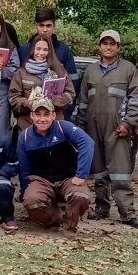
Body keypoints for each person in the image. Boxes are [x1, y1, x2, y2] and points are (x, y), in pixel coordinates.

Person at [73, 30, 138, 229]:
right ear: (99, 46)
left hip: (118, 128)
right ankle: (101, 207)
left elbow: (136, 100)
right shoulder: (91, 71)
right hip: (92, 128)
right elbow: (83, 101)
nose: (108, 47)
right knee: (99, 171)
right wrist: (80, 128)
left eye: (112, 44)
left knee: (120, 171)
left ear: (118, 47)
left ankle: (127, 212)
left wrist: (128, 123)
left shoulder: (129, 70)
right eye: (105, 43)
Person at [17, 94, 94, 232]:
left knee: (81, 196)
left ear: (53, 115)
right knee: (31, 200)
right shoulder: (25, 137)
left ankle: (70, 225)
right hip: (41, 180)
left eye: (46, 114)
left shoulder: (64, 127)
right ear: (31, 116)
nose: (42, 119)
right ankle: (56, 218)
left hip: (68, 178)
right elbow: (24, 168)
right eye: (38, 114)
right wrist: (24, 192)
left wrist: (81, 174)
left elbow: (87, 142)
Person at [9, 33, 76, 131]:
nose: (41, 53)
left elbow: (70, 96)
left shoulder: (59, 71)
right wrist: (29, 103)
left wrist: (50, 100)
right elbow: (13, 98)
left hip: (54, 128)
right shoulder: (21, 73)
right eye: (38, 49)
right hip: (28, 127)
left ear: (50, 51)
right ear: (32, 50)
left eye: (45, 50)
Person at [19, 8, 79, 110]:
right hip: (29, 112)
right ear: (36, 25)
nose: (45, 29)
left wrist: (66, 108)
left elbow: (73, 82)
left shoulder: (63, 49)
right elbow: (17, 83)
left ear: (53, 26)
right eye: (41, 25)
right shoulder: (25, 49)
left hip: (57, 111)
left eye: (48, 26)